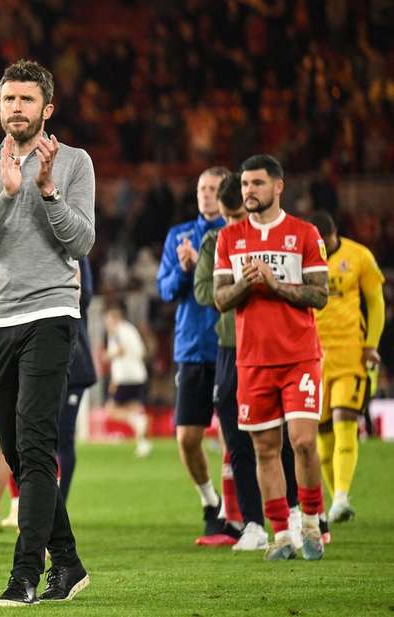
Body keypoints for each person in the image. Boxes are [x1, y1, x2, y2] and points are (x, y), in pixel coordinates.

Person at [0, 59, 94, 607]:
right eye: (9, 100)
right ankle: (69, 563)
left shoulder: (75, 164)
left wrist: (46, 190)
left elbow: (80, 243)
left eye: (26, 100)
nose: (16, 109)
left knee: (37, 448)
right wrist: (9, 195)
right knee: (19, 455)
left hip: (52, 314)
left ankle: (23, 576)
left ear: (48, 109)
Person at [214, 154, 328, 561]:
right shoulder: (230, 239)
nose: (249, 191)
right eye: (245, 184)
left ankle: (312, 519)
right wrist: (247, 284)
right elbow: (220, 299)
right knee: (264, 448)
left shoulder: (304, 233)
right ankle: (280, 533)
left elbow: (320, 294)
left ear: (278, 187)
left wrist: (277, 285)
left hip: (299, 356)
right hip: (252, 359)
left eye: (257, 184)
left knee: (302, 442)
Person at [195, 173, 303, 551]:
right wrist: (245, 283)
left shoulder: (278, 237)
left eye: (236, 215)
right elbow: (206, 291)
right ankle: (252, 523)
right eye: (226, 216)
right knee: (236, 437)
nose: (231, 224)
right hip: (231, 347)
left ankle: (293, 511)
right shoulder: (217, 241)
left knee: (282, 435)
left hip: (273, 347)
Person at [157, 165, 235, 543]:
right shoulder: (179, 236)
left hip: (232, 344)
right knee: (188, 436)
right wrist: (186, 269)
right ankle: (209, 501)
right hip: (191, 347)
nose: (205, 194)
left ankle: (236, 512)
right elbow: (166, 290)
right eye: (201, 188)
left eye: (213, 188)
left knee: (237, 434)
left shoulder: (237, 233)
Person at [309, 211, 385, 524]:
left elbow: (376, 301)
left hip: (350, 355)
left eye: (326, 244)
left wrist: (371, 345)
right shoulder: (302, 258)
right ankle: (336, 500)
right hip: (313, 358)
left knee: (345, 420)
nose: (322, 250)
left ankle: (341, 495)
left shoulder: (359, 256)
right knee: (322, 439)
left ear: (334, 235)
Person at [58, 257, 97, 499]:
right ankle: (41, 504)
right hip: (42, 362)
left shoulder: (77, 252)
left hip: (74, 364)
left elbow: (85, 297)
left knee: (63, 437)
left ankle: (58, 505)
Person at [101, 304, 151, 459]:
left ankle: (135, 421)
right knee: (134, 409)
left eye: (108, 319)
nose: (106, 323)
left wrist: (107, 355)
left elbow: (120, 350)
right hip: (139, 375)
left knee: (111, 409)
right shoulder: (131, 329)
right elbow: (142, 352)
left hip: (125, 378)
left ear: (115, 318)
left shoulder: (118, 331)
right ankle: (142, 444)